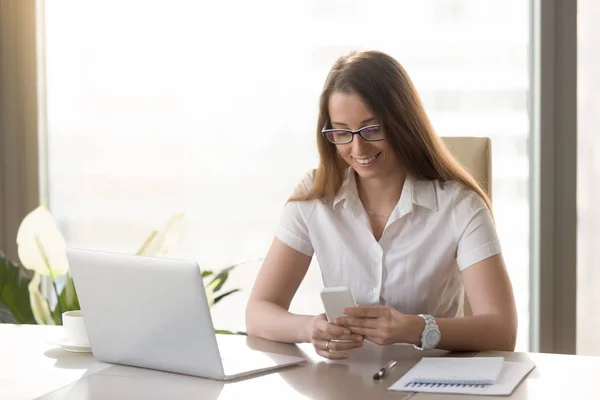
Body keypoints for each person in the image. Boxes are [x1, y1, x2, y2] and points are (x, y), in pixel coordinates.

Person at [245, 50, 517, 360]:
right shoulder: (315, 196)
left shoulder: (460, 206)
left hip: (431, 387)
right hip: (343, 384)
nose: (357, 148)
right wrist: (309, 329)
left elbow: (502, 331)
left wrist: (413, 328)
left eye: (372, 129)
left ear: (402, 123)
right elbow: (258, 312)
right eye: (342, 133)